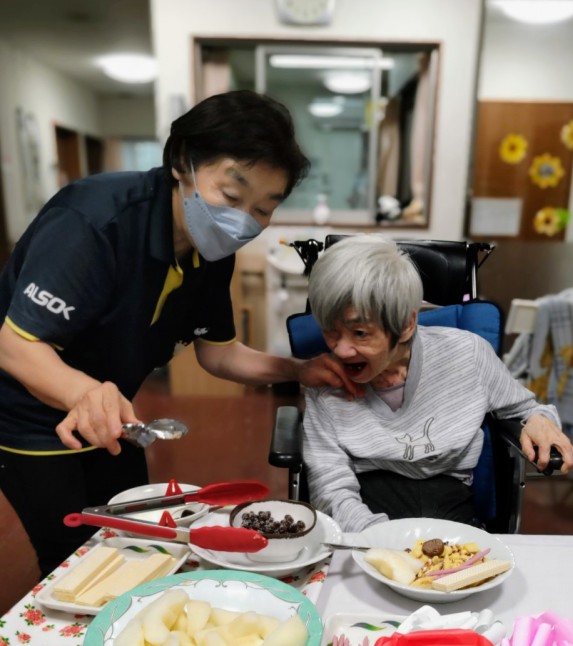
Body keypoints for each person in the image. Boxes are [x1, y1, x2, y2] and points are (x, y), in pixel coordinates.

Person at [0, 90, 359, 577]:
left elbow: (220, 354)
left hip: (114, 412)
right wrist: (84, 393)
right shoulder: (95, 220)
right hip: (27, 417)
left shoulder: (210, 251)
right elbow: (16, 344)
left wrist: (298, 370)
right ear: (181, 162)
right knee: (70, 557)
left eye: (262, 209)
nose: (241, 222)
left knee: (134, 535)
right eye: (231, 196)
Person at [302, 235, 573, 533]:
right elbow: (330, 486)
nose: (342, 350)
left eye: (360, 333)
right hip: (365, 507)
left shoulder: (468, 355)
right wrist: (377, 538)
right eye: (331, 331)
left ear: (406, 324)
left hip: (448, 503)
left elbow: (525, 409)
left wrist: (539, 419)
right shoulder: (324, 381)